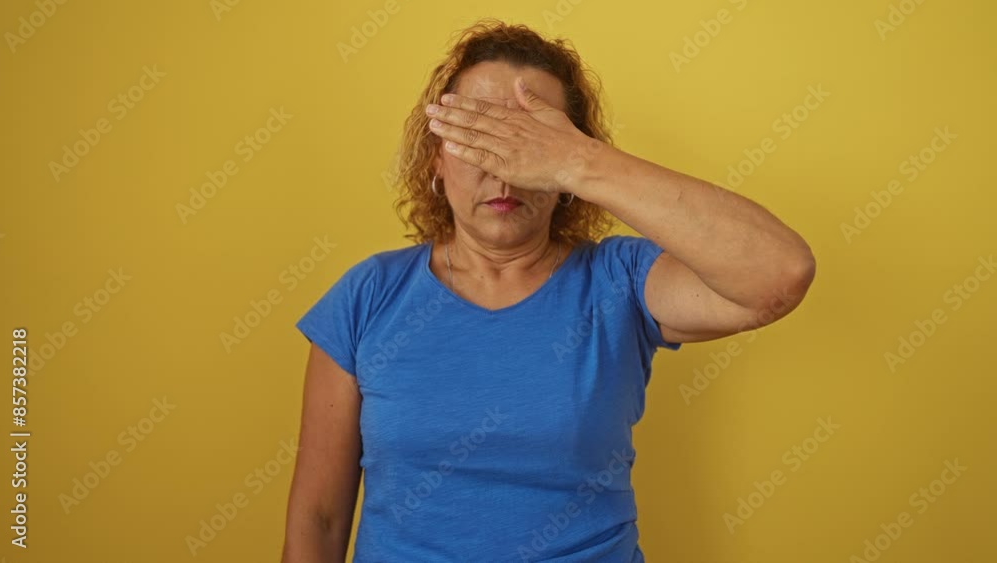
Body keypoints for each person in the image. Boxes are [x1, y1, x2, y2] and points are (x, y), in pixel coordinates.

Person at [280, 18, 815, 563]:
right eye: (478, 136)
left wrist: (578, 161)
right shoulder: (368, 295)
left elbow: (779, 272)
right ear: (436, 156)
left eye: (529, 141)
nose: (504, 169)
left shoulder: (619, 280)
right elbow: (318, 520)